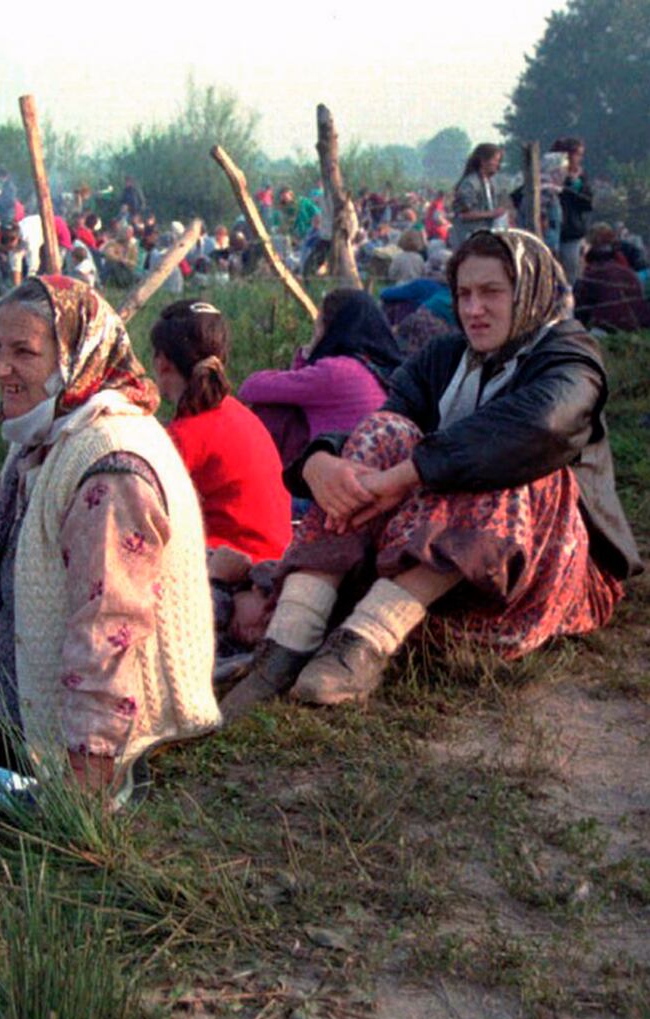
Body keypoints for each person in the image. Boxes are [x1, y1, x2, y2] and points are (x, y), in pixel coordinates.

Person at [223, 230, 641, 716]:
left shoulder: (570, 355)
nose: (473, 308)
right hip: (443, 579)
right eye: (464, 293)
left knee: (516, 461)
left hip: (540, 578)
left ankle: (364, 643)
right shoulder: (446, 357)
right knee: (385, 431)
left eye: (491, 292)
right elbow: (383, 422)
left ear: (529, 290)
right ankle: (288, 641)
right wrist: (319, 461)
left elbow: (543, 425)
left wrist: (407, 475)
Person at [0, 276, 219, 796]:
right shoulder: (52, 430)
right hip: (29, 647)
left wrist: (82, 788)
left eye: (22, 353)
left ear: (75, 360)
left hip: (102, 708)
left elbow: (110, 632)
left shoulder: (111, 470)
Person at [152, 300, 292, 563]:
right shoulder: (236, 412)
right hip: (274, 554)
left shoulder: (184, 435)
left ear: (162, 362)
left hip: (239, 564)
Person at [238, 288, 401, 467]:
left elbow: (251, 388)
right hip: (379, 475)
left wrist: (308, 350)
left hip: (339, 479)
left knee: (275, 413)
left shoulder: (335, 372)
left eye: (319, 322)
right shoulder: (374, 367)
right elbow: (299, 386)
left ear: (332, 327)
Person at [574, 239, 650, 333]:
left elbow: (580, 311)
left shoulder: (592, 274)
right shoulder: (629, 273)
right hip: (639, 327)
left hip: (608, 328)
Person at [450, 144, 509, 247]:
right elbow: (464, 215)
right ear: (483, 161)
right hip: (469, 237)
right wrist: (492, 214)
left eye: (499, 161)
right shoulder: (470, 184)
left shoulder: (492, 183)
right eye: (495, 160)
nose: (497, 164)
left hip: (487, 235)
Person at [553, 138, 592, 287]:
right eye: (578, 155)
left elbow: (587, 203)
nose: (579, 159)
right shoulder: (551, 174)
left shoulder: (581, 176)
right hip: (551, 230)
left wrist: (574, 182)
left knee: (569, 277)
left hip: (571, 232)